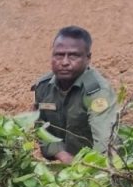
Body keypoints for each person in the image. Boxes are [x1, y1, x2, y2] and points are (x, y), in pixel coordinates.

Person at [33, 26, 118, 163]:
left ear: (88, 58)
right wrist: (61, 154)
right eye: (59, 55)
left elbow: (104, 143)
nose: (65, 62)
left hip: (93, 165)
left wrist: (88, 169)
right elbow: (40, 127)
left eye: (73, 55)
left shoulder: (97, 92)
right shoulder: (43, 87)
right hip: (62, 161)